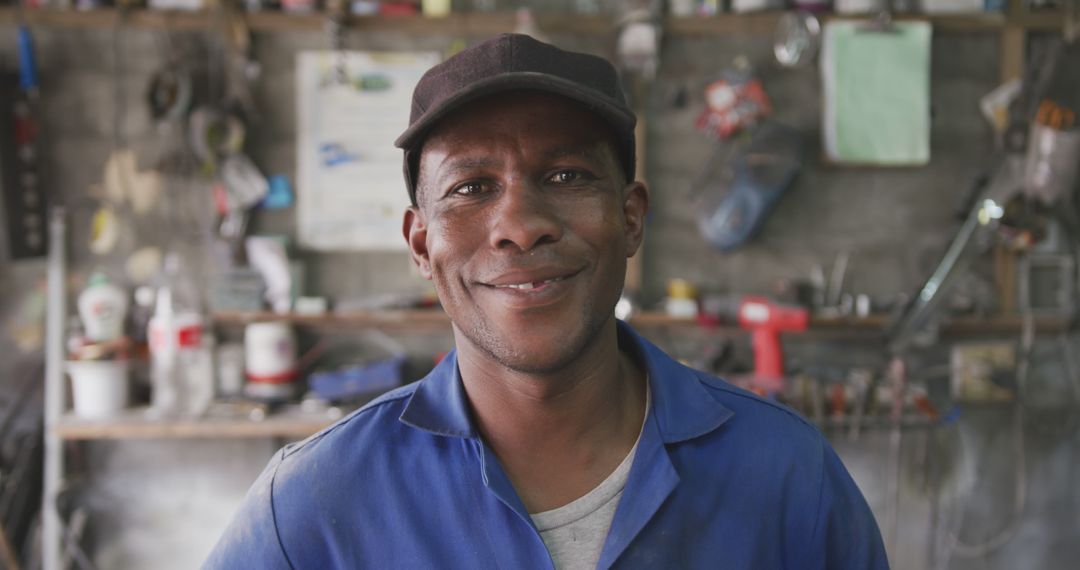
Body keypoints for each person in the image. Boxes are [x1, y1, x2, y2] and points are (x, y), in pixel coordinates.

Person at [205, 33, 888, 569]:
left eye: (565, 175)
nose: (519, 223)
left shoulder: (789, 478)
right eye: (471, 187)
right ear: (420, 242)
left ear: (630, 218)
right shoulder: (318, 503)